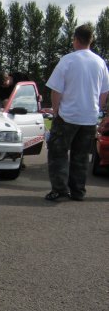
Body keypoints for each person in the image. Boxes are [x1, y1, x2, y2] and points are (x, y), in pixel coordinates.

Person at [45, 24, 109, 201]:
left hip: (68, 115)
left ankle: (59, 190)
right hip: (89, 117)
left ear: (75, 39)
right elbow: (104, 92)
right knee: (81, 156)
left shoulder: (68, 60)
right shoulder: (100, 62)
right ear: (91, 40)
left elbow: (56, 89)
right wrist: (98, 109)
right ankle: (78, 191)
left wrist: (56, 110)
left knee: (58, 152)